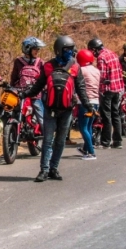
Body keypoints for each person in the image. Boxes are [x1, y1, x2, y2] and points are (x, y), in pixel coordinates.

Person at [21, 35, 92, 182]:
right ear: (58, 50)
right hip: (49, 109)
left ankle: (54, 168)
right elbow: (38, 87)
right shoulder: (47, 66)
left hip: (67, 110)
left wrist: (88, 105)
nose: (70, 52)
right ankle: (44, 170)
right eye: (67, 49)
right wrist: (24, 94)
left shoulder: (75, 67)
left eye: (71, 49)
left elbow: (81, 88)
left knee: (60, 141)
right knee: (48, 140)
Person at [88, 38, 125, 149]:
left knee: (106, 116)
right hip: (117, 88)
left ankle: (105, 142)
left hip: (107, 90)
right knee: (116, 115)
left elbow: (102, 76)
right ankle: (118, 141)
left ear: (94, 49)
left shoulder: (101, 58)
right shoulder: (112, 53)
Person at [10, 36, 45, 127]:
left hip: (35, 94)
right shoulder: (18, 61)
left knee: (41, 117)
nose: (37, 51)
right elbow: (14, 77)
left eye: (38, 49)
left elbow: (44, 78)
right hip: (21, 93)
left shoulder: (40, 62)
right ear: (27, 49)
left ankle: (48, 138)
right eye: (34, 49)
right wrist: (12, 88)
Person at [75, 49, 100, 160]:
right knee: (89, 126)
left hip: (85, 102)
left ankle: (91, 152)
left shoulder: (81, 70)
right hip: (95, 102)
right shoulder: (96, 70)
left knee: (83, 128)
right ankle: (86, 149)